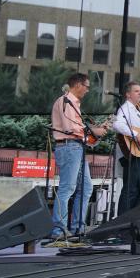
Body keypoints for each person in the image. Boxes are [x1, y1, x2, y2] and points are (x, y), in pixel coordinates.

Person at [48, 72, 109, 240]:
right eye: (87, 86)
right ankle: (58, 231)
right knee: (67, 188)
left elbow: (83, 136)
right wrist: (94, 131)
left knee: (86, 188)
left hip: (75, 147)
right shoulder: (66, 101)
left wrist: (95, 134)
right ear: (77, 85)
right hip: (69, 147)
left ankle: (78, 228)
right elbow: (70, 128)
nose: (88, 90)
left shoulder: (73, 103)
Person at [111, 81, 140, 215]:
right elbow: (117, 125)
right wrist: (137, 135)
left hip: (139, 154)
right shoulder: (125, 108)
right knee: (131, 189)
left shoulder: (136, 110)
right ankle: (123, 222)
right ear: (128, 94)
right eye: (136, 91)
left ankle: (135, 219)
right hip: (131, 155)